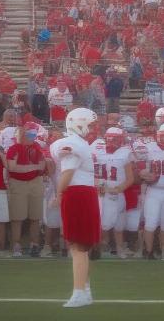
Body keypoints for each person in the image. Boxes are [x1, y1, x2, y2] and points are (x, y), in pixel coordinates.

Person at [50, 108, 101, 308]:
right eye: (90, 125)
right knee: (81, 247)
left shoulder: (73, 144)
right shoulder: (75, 143)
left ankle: (79, 292)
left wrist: (59, 194)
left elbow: (68, 173)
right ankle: (85, 290)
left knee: (78, 247)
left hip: (77, 193)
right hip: (84, 193)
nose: (92, 129)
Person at [92, 126, 134, 258]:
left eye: (115, 139)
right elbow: (88, 171)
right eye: (110, 139)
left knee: (118, 224)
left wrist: (117, 189)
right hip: (99, 193)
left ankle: (120, 249)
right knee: (99, 223)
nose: (112, 141)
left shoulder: (125, 152)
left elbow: (130, 178)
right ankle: (96, 248)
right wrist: (96, 185)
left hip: (116, 192)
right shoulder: (96, 149)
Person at [6, 121, 46, 257]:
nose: (31, 136)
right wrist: (33, 167)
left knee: (35, 216)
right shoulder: (13, 148)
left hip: (35, 182)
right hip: (18, 183)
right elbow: (12, 167)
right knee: (17, 217)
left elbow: (42, 166)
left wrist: (27, 167)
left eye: (33, 133)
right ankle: (16, 244)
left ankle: (34, 244)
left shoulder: (38, 147)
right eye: (28, 133)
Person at [141, 123, 164, 259]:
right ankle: (149, 251)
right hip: (153, 190)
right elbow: (140, 167)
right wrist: (144, 174)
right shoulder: (149, 147)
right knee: (150, 222)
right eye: (162, 135)